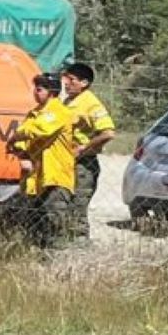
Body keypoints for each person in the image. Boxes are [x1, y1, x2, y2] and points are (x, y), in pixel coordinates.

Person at [9, 71, 78, 248]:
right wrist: (20, 151)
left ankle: (55, 259)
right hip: (35, 177)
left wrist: (16, 136)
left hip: (55, 176)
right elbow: (23, 140)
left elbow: (40, 130)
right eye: (35, 89)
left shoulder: (59, 111)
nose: (35, 93)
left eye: (39, 89)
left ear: (52, 91)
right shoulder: (34, 113)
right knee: (34, 222)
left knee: (53, 220)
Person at [60, 61, 116, 240]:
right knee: (63, 205)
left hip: (83, 165)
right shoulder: (69, 101)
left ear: (84, 83)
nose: (67, 83)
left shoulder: (90, 103)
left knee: (77, 208)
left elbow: (108, 133)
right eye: (66, 79)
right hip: (66, 162)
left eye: (72, 80)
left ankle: (79, 245)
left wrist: (84, 148)